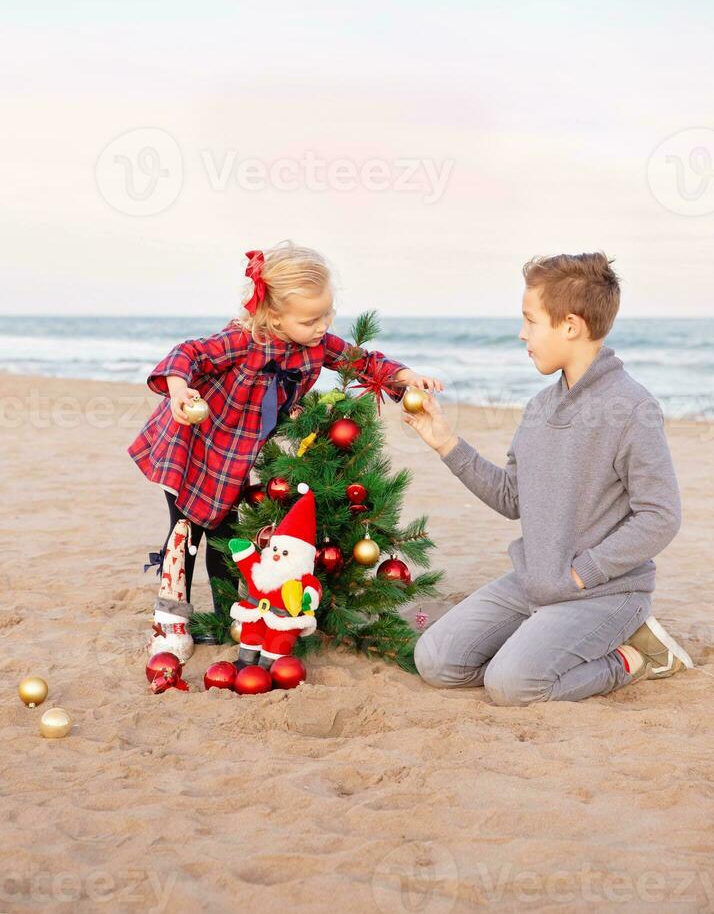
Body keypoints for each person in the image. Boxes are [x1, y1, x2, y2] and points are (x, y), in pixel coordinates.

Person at [404, 251, 693, 705]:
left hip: (603, 592)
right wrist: (445, 442)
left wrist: (582, 573)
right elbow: (510, 497)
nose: (522, 333)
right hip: (533, 582)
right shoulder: (539, 407)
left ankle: (630, 658)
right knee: (437, 661)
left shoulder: (633, 408)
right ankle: (539, 638)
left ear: (571, 326)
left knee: (512, 685)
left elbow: (660, 515)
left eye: (531, 320)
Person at [128, 241, 443, 642]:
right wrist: (178, 391)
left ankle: (228, 620)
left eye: (328, 313)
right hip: (193, 441)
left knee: (226, 536)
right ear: (274, 318)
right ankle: (172, 620)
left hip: (235, 454)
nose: (323, 325)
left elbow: (363, 362)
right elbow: (188, 353)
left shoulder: (317, 344)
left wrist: (406, 377)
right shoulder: (243, 340)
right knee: (186, 530)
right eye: (311, 319)